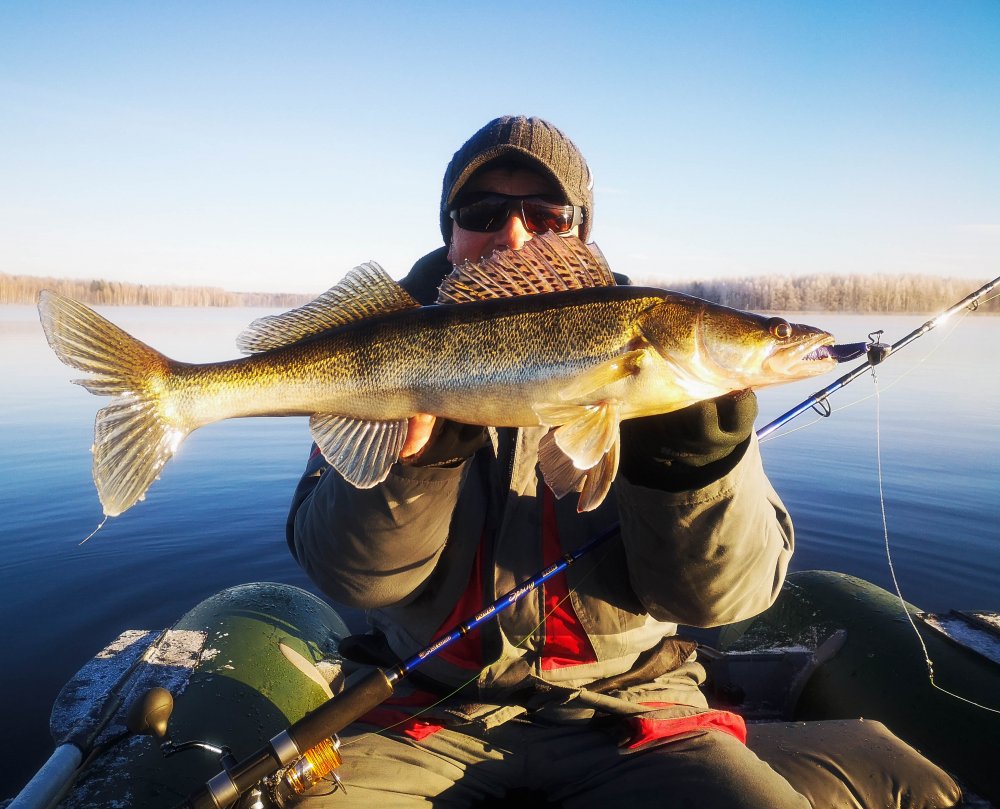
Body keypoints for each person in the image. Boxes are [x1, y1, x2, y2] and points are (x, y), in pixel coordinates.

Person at [286, 116, 809, 807]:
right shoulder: (388, 347)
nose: (513, 234)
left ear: (581, 235)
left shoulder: (672, 379)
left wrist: (694, 467)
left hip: (632, 714)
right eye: (482, 211)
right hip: (422, 711)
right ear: (450, 231)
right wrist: (413, 466)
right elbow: (347, 574)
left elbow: (722, 599)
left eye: (546, 213)